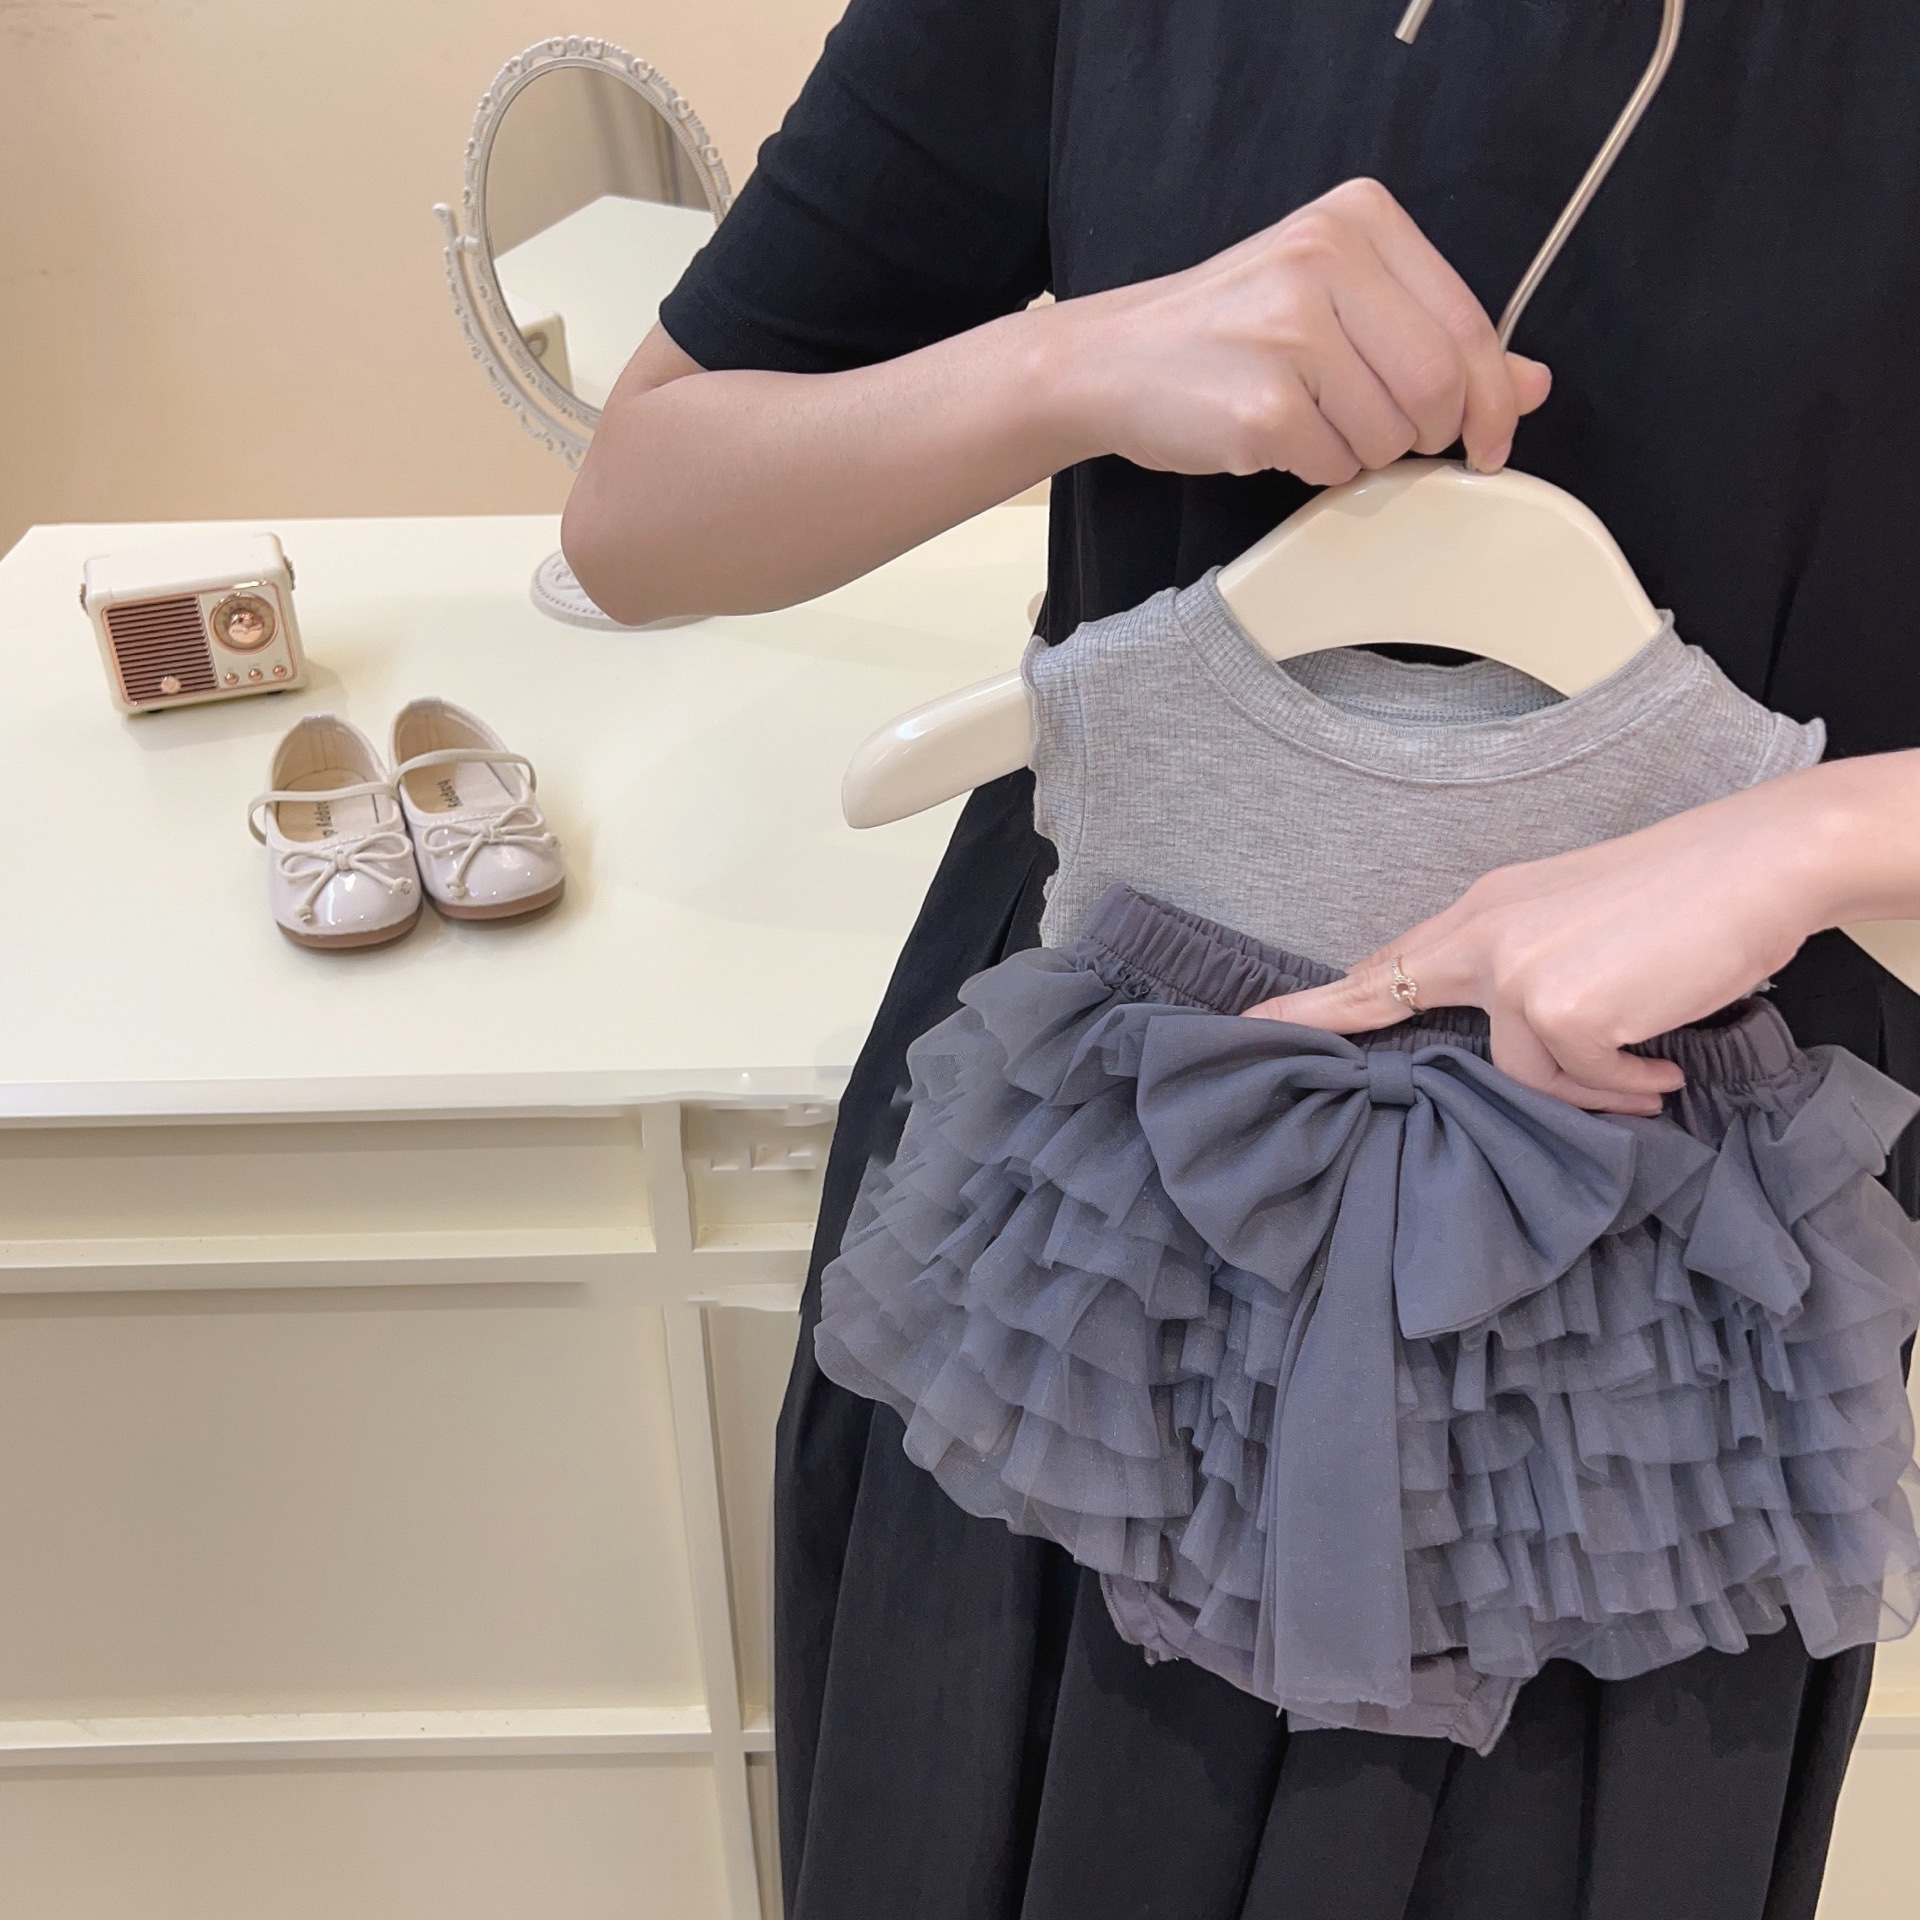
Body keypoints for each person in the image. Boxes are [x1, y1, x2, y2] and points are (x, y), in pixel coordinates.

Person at [563, 5, 1920, 1915]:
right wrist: (1072, 363)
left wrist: (1820, 834)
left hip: (1665, 1323)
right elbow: (638, 514)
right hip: (1062, 1230)